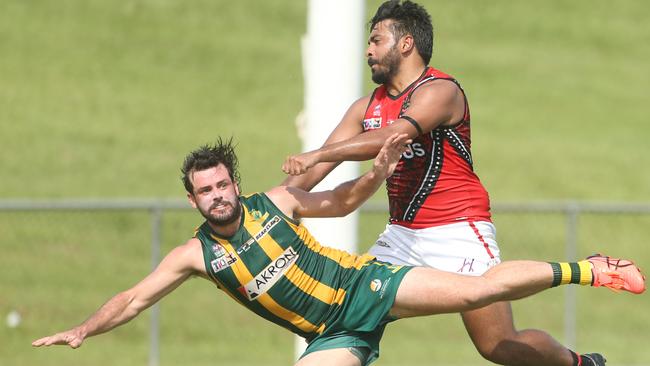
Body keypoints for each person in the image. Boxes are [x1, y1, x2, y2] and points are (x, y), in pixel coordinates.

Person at [33, 136, 644, 366]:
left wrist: (377, 172)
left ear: (235, 186)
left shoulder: (277, 204)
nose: (217, 197)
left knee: (479, 292)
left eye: (223, 185)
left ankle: (588, 268)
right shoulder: (197, 257)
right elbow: (134, 299)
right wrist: (84, 330)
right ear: (193, 202)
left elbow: (345, 201)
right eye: (205, 191)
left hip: (367, 288)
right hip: (331, 338)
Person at [281, 1, 630, 365]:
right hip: (401, 235)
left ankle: (579, 363)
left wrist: (318, 154)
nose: (368, 50)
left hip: (459, 228)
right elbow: (312, 171)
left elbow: (394, 134)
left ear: (406, 43)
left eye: (376, 39)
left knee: (497, 345)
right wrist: (271, 207)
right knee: (349, 311)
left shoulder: (441, 91)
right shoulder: (364, 107)